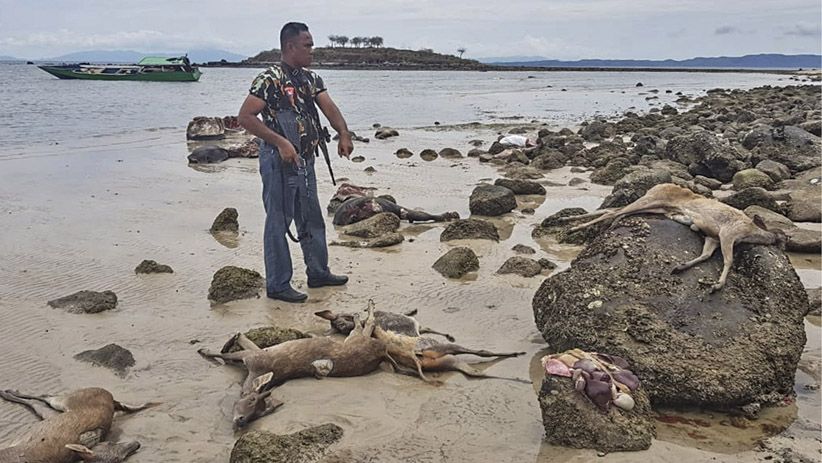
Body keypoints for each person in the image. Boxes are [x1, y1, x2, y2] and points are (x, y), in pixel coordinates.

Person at [238, 22, 354, 303]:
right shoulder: (269, 79)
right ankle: (278, 285)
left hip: (306, 159)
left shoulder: (311, 79)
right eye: (307, 45)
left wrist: (343, 132)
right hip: (279, 160)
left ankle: (318, 272)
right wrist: (280, 142)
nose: (312, 50)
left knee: (311, 215)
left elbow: (329, 107)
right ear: (290, 46)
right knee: (279, 220)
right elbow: (246, 117)